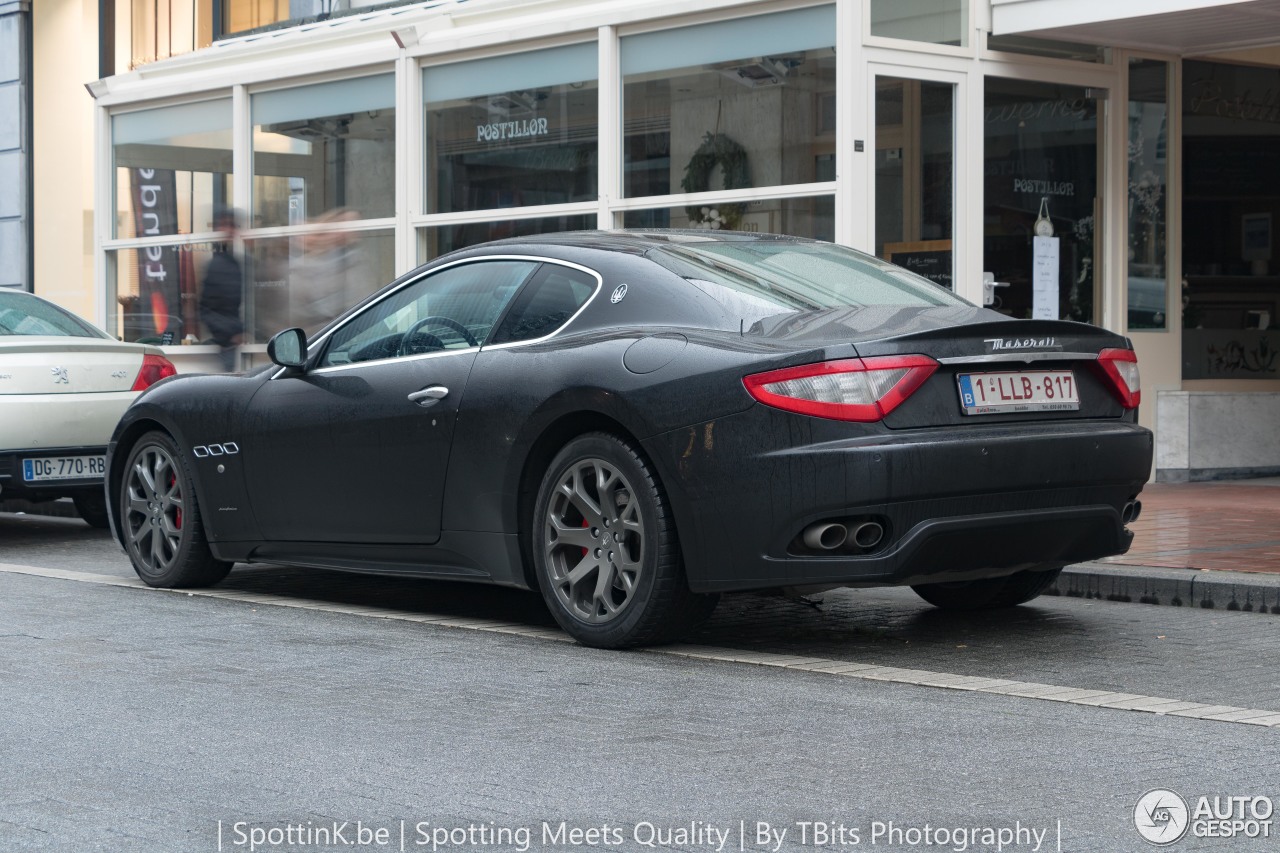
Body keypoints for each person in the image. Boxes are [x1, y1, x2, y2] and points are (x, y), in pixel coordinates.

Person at [199, 207, 245, 372]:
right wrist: (232, 335)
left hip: (235, 343)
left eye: (232, 225)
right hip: (229, 345)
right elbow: (206, 309)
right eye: (224, 225)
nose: (229, 230)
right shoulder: (218, 264)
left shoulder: (236, 261)